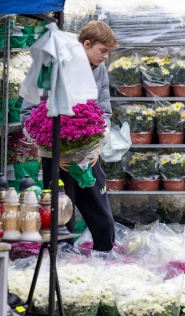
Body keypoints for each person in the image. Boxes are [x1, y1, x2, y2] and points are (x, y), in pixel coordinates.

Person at [20, 21, 117, 252]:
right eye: (102, 51)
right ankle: (62, 270)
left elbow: (104, 112)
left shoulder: (99, 69)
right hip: (57, 161)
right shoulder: (52, 66)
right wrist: (53, 153)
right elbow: (28, 115)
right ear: (86, 44)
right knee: (61, 222)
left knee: (103, 221)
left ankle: (105, 264)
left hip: (89, 157)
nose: (105, 57)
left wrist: (97, 148)